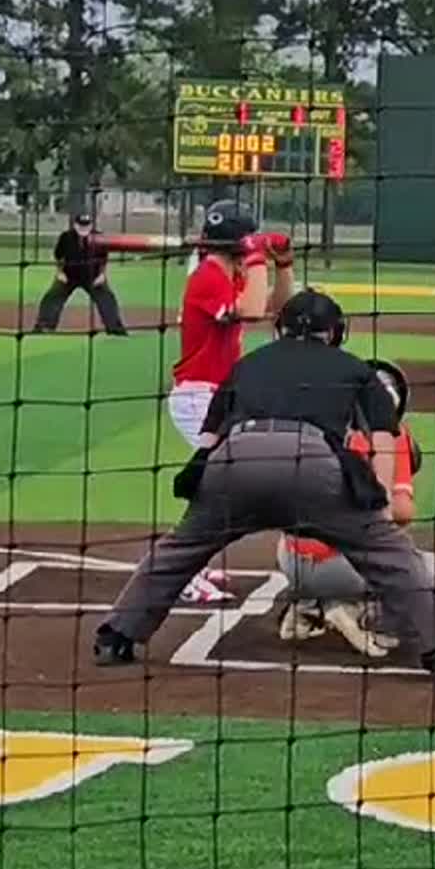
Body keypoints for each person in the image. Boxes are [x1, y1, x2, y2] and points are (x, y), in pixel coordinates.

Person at [93, 288, 435, 680]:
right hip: (312, 467)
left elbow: (208, 442)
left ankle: (115, 635)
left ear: (280, 329)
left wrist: (202, 503)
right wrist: (375, 507)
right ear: (336, 333)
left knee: (179, 551)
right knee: (393, 557)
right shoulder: (354, 368)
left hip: (235, 464)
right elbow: (383, 439)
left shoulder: (249, 365)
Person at [274, 358, 435, 657]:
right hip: (339, 567)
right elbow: (400, 512)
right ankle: (366, 619)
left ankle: (310, 606)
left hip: (289, 557)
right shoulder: (392, 437)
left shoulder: (314, 427)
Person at [168, 200, 296, 604]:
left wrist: (284, 266)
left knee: (222, 485)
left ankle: (193, 564)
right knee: (216, 486)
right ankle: (182, 570)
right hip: (197, 397)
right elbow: (254, 309)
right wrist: (258, 255)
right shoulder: (207, 276)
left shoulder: (229, 273)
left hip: (218, 398)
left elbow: (276, 308)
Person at [32, 211, 128, 335]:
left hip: (92, 276)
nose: (84, 228)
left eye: (86, 225)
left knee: (107, 298)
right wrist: (60, 273)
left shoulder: (98, 238)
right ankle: (44, 327)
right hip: (69, 275)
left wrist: (102, 275)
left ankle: (115, 329)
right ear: (75, 225)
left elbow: (103, 259)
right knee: (52, 297)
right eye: (81, 225)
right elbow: (59, 257)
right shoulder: (66, 237)